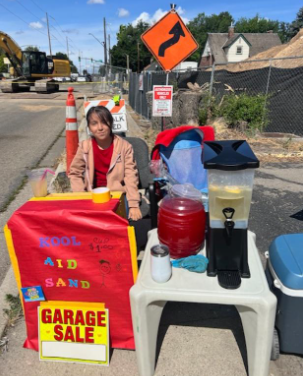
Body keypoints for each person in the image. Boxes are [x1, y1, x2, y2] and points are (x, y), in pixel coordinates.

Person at [69, 105, 142, 221]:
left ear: (111, 123)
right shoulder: (85, 147)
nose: (100, 128)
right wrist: (81, 196)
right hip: (92, 197)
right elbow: (74, 173)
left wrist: (133, 204)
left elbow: (131, 176)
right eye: (94, 123)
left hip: (116, 197)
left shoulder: (124, 147)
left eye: (104, 122)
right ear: (89, 127)